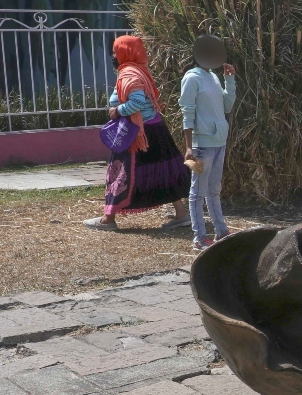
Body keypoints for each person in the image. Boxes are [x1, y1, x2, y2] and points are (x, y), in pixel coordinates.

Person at [84, 35, 190, 232]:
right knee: (162, 170)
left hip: (137, 133)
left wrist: (117, 111)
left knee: (120, 173)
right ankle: (181, 214)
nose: (113, 55)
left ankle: (108, 219)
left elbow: (138, 103)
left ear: (125, 52)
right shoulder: (140, 71)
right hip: (154, 129)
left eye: (116, 51)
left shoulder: (129, 74)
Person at [180, 35, 237, 251]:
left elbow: (227, 106)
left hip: (219, 140)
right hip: (202, 143)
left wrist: (229, 80)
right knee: (198, 192)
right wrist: (188, 147)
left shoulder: (212, 76)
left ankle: (221, 231)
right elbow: (187, 112)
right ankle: (199, 237)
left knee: (214, 189)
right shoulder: (191, 78)